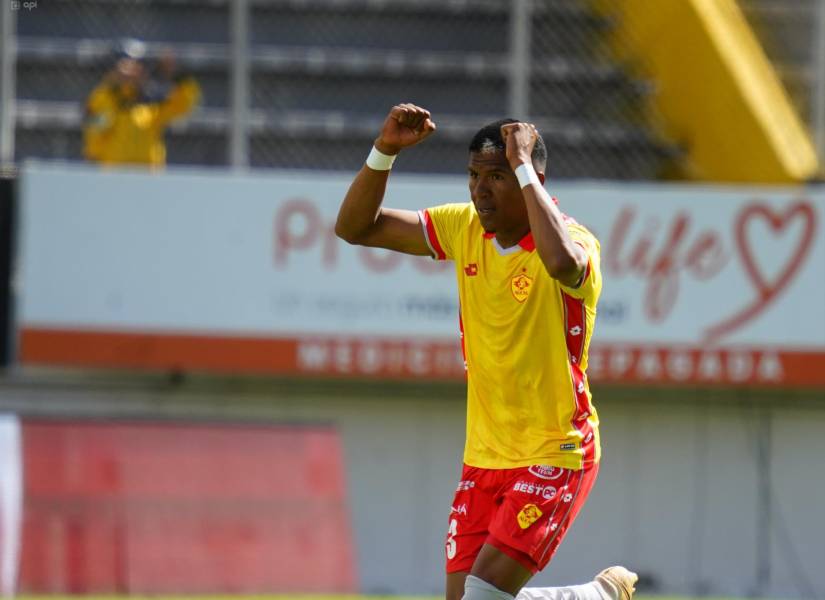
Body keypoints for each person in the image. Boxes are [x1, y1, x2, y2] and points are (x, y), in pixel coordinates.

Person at [335, 104, 638, 600]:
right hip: (484, 457)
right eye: (474, 175)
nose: (480, 189)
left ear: (531, 177)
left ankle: (593, 597)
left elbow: (561, 261)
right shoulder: (464, 228)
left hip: (557, 450)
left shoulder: (575, 243)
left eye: (496, 176)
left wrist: (522, 170)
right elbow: (356, 228)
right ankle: (596, 597)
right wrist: (384, 152)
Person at [82, 39, 200, 168]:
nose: (131, 71)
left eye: (137, 66)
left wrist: (177, 75)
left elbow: (184, 105)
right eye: (125, 65)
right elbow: (94, 133)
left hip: (147, 176)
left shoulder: (153, 100)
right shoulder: (103, 97)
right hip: (112, 173)